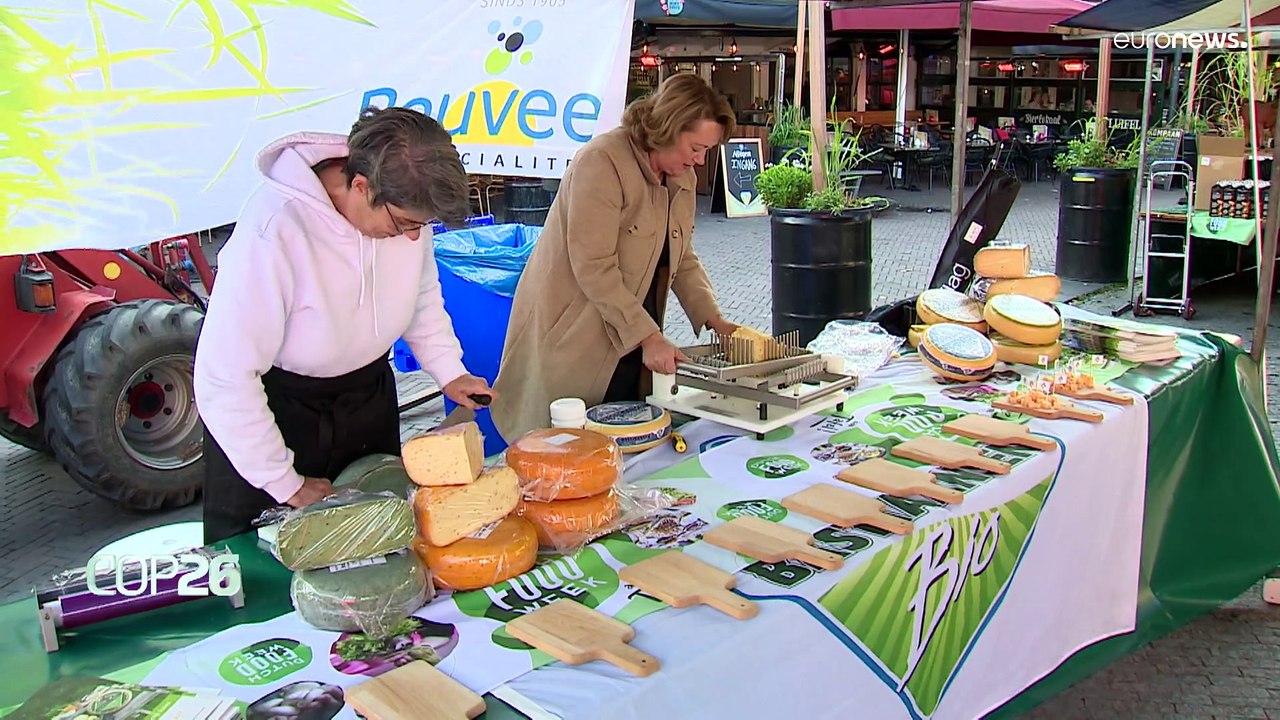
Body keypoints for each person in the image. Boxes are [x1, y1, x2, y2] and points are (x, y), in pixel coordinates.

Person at [194, 107, 495, 545]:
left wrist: (450, 371)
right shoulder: (274, 228)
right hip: (278, 414)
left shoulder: (403, 212)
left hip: (365, 401)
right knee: (272, 558)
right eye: (403, 224)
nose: (413, 237)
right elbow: (225, 375)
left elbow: (421, 296)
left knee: (379, 546)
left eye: (421, 226)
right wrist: (284, 481)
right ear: (361, 186)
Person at [488, 73, 739, 442]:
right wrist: (649, 337)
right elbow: (594, 267)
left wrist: (715, 321)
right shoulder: (601, 162)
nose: (700, 161)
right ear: (668, 128)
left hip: (635, 335)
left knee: (626, 444)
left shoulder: (681, 176)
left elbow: (682, 256)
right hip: (579, 339)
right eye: (695, 148)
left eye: (707, 151)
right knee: (567, 446)